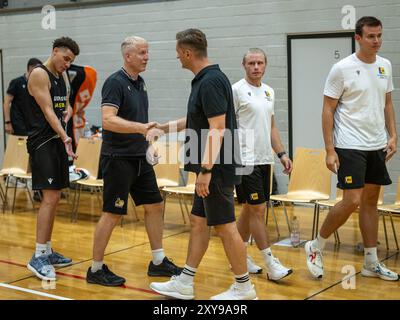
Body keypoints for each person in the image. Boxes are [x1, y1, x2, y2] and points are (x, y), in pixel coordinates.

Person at [150, 28, 257, 300]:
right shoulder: (205, 80)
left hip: (216, 169)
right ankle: (185, 282)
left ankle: (244, 288)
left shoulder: (210, 81)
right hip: (209, 168)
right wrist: (164, 128)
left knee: (225, 226)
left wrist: (206, 171)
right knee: (199, 223)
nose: (178, 60)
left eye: (178, 55)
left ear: (187, 53)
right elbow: (198, 120)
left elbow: (217, 129)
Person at [305, 16, 399, 281]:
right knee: (352, 201)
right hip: (349, 145)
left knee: (371, 202)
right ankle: (316, 246)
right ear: (358, 37)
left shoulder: (385, 65)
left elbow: (388, 103)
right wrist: (329, 149)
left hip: (376, 145)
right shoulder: (342, 68)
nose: (377, 41)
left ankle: (371, 262)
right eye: (371, 36)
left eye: (379, 35)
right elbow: (327, 109)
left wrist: (393, 135)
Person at [86, 36, 182, 287]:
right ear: (127, 56)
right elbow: (108, 120)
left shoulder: (141, 83)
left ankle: (158, 262)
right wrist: (141, 128)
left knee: (154, 205)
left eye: (147, 52)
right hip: (118, 159)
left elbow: (142, 121)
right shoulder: (115, 83)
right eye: (141, 52)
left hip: (140, 157)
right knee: (112, 213)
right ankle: (95, 269)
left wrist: (149, 144)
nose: (146, 56)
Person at [233, 48, 293, 280]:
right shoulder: (236, 90)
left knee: (250, 209)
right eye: (251, 63)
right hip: (244, 160)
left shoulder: (269, 92)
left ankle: (238, 256)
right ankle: (271, 264)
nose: (256, 67)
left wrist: (282, 154)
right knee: (258, 209)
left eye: (259, 63)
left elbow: (272, 126)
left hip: (264, 158)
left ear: (265, 65)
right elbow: (226, 126)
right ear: (244, 65)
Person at [26, 37, 79, 281]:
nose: (67, 64)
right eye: (65, 58)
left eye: (71, 61)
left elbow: (63, 103)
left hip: (57, 141)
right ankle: (38, 255)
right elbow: (48, 111)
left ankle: (47, 250)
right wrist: (65, 135)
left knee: (55, 197)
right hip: (43, 143)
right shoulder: (39, 74)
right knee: (49, 197)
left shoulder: (62, 76)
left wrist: (68, 111)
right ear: (55, 51)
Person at [3, 58, 42, 136]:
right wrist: (7, 122)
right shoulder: (17, 82)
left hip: (34, 125)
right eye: (38, 69)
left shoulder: (37, 84)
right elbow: (6, 102)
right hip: (19, 124)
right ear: (31, 68)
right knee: (19, 147)